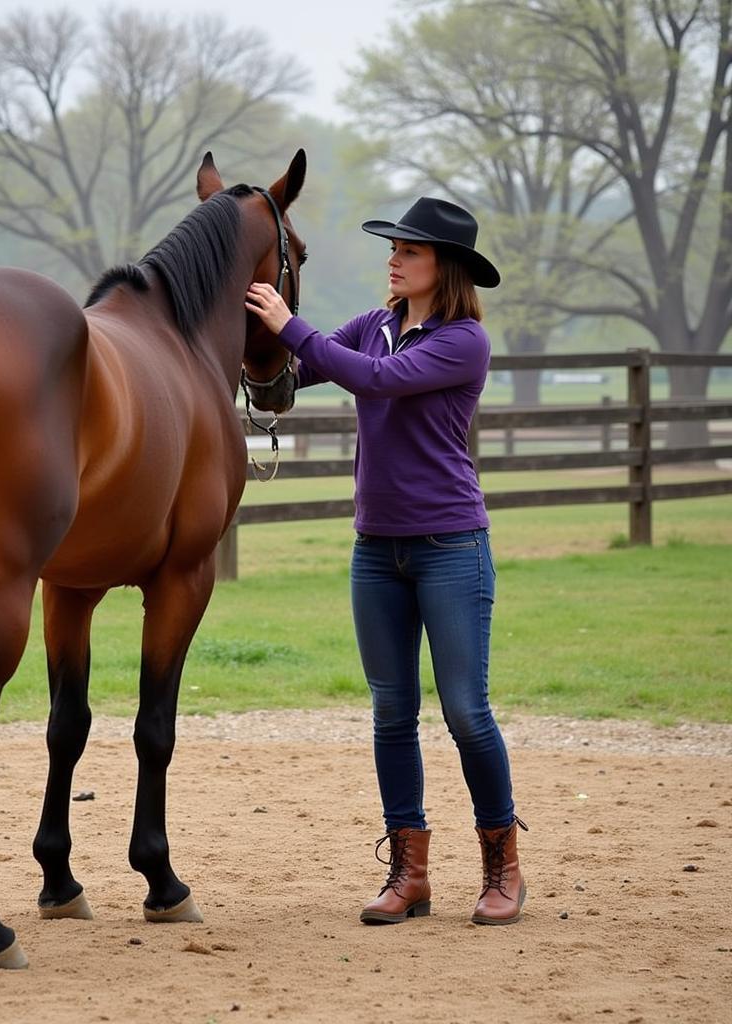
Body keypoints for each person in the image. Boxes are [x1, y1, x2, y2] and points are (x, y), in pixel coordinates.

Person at [244, 196, 527, 926]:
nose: (393, 259)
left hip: (450, 548)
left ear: (446, 268)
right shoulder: (372, 327)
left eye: (411, 251)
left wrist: (290, 323)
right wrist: (247, 346)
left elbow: (371, 381)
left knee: (466, 711)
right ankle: (411, 873)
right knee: (392, 712)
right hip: (376, 552)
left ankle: (502, 867)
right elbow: (301, 371)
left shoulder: (463, 341)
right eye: (393, 248)